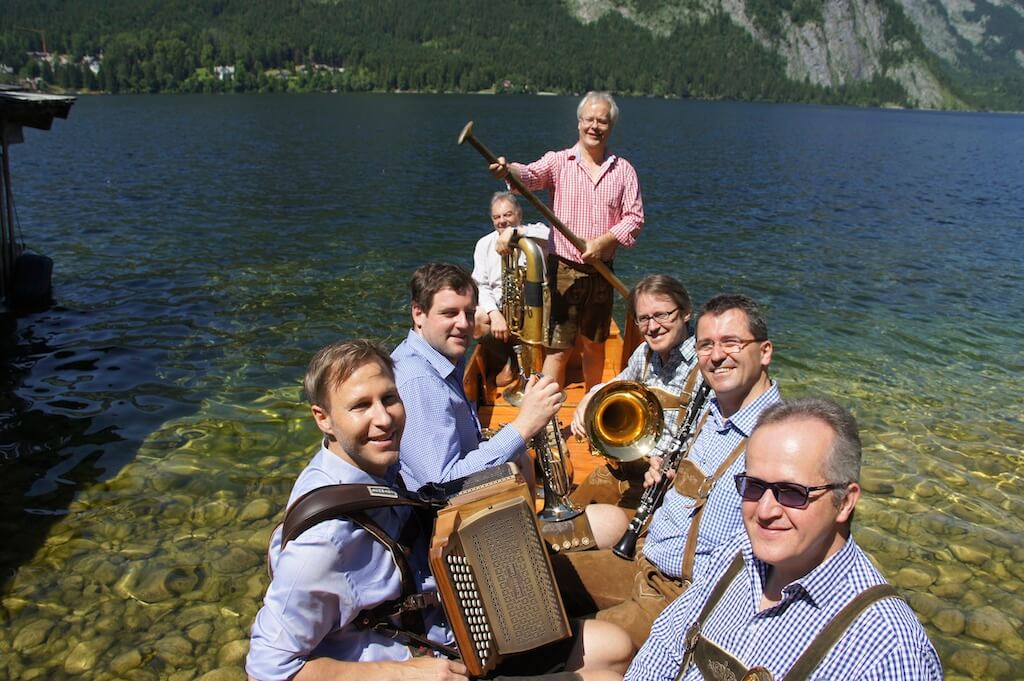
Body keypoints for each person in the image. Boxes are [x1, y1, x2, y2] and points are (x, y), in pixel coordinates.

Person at [246, 339, 631, 681]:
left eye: (389, 398)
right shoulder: (325, 541)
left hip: (451, 623)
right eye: (361, 406)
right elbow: (267, 670)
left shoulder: (375, 465)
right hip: (427, 664)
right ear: (323, 418)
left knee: (615, 647)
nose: (383, 419)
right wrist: (402, 673)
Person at [626, 398, 944, 680]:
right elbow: (665, 648)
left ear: (845, 501)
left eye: (792, 492)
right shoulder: (738, 553)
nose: (765, 511)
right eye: (754, 486)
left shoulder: (888, 648)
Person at [553, 294, 781, 650]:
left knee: (560, 644)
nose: (716, 356)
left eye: (731, 343)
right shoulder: (713, 413)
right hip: (643, 558)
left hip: (679, 597)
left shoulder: (779, 442)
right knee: (540, 583)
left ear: (764, 352)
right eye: (706, 345)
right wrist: (672, 477)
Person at [489, 91, 644, 391]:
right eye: (589, 119)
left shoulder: (624, 170)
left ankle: (590, 406)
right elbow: (528, 176)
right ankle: (547, 412)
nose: (594, 126)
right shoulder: (560, 162)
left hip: (601, 272)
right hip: (562, 272)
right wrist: (508, 170)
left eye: (602, 121)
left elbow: (634, 218)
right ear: (579, 122)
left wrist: (602, 242)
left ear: (611, 126)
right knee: (558, 350)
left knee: (595, 346)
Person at [392, 262, 561, 492]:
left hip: (457, 497)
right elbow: (441, 485)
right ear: (418, 313)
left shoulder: (439, 357)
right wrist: (525, 426)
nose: (464, 324)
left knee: (522, 459)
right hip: (443, 509)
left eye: (470, 313)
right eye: (449, 313)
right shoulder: (419, 382)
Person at [569, 274, 699, 509]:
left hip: (668, 486)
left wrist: (672, 466)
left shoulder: (704, 367)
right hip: (632, 470)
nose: (653, 327)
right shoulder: (645, 354)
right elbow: (615, 385)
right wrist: (589, 397)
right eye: (643, 318)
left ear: (686, 312)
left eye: (662, 315)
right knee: (569, 512)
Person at [471, 191, 550, 344]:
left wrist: (514, 232)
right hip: (501, 309)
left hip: (534, 309)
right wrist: (495, 315)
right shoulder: (484, 244)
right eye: (497, 217)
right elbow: (481, 286)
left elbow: (554, 236)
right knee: (472, 319)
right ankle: (505, 353)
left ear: (519, 214)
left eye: (507, 215)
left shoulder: (535, 233)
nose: (502, 221)